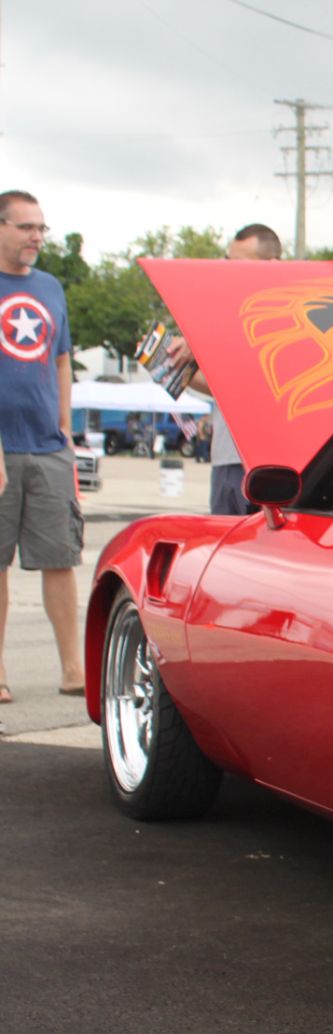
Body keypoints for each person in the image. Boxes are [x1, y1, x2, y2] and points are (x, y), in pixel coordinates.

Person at [0, 189, 85, 701]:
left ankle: (73, 669)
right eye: (25, 227)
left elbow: (61, 359)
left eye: (41, 228)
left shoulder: (50, 287)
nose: (36, 236)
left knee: (61, 557)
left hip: (48, 447)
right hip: (3, 447)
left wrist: (66, 429)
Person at [170, 223, 282, 516]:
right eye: (227, 261)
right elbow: (223, 389)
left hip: (267, 462)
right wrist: (173, 365)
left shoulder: (281, 320)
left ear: (271, 265)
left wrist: (197, 345)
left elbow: (250, 387)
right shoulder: (228, 313)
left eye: (238, 263)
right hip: (226, 457)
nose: (229, 270)